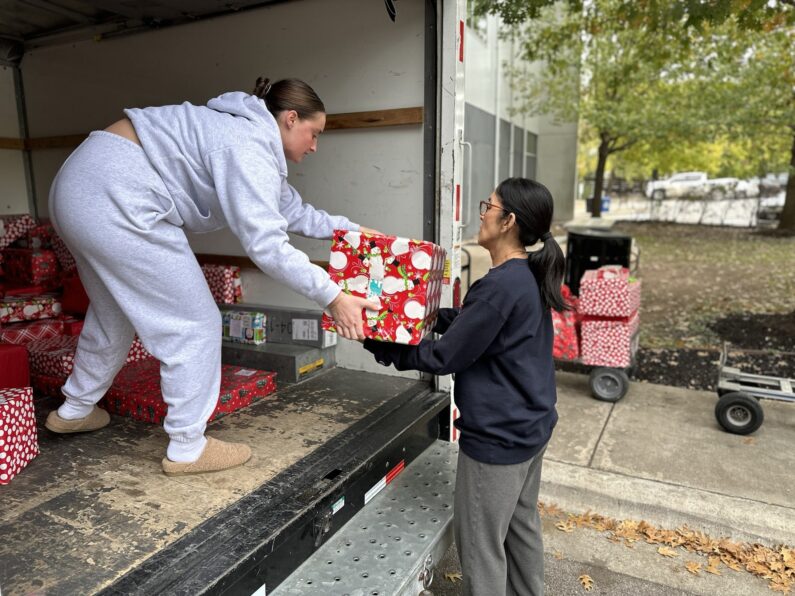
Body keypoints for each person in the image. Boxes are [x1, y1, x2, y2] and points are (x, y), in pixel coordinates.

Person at [45, 77, 377, 476]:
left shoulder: (243, 137)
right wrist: (333, 297)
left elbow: (293, 213)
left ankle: (75, 408)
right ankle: (188, 447)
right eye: (314, 132)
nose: (314, 145)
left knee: (113, 309)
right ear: (290, 119)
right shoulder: (247, 145)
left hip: (77, 189)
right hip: (119, 195)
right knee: (195, 323)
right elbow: (268, 247)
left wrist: (353, 231)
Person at [363, 177, 568, 596]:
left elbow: (444, 357)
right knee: (520, 525)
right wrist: (430, 314)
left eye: (487, 206)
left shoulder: (498, 286)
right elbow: (483, 326)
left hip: (498, 439)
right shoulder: (524, 275)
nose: (481, 213)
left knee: (480, 544)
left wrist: (381, 346)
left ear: (508, 220)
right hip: (531, 427)